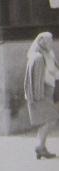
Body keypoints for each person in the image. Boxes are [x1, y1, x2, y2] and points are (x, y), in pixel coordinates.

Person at [24, 31, 59, 159]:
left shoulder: (49, 54)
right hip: (41, 92)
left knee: (48, 119)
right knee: (51, 119)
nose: (50, 42)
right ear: (41, 41)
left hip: (50, 89)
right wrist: (35, 95)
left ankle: (41, 147)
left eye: (51, 40)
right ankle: (39, 146)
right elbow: (32, 79)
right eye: (48, 40)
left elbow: (54, 70)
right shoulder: (37, 57)